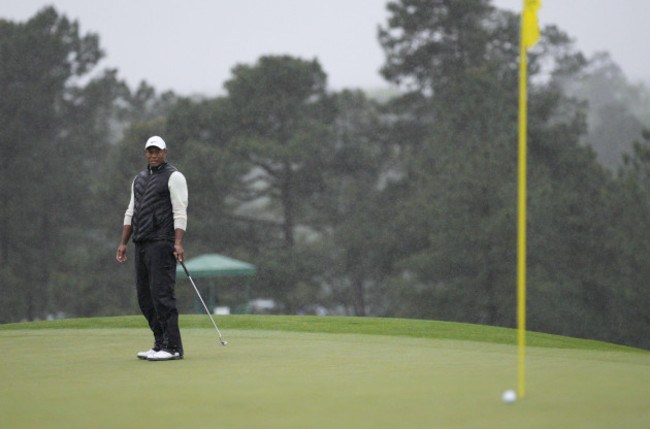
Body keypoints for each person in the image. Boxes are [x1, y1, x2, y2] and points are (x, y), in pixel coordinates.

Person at [116, 136, 188, 361]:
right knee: (145, 297)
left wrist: (178, 242)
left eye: (158, 151)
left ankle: (173, 347)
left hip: (162, 242)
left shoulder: (174, 176)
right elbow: (131, 211)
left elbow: (180, 211)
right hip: (142, 243)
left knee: (162, 295)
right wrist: (123, 243)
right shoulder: (139, 179)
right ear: (145, 153)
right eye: (150, 151)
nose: (154, 155)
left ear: (165, 152)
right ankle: (159, 343)